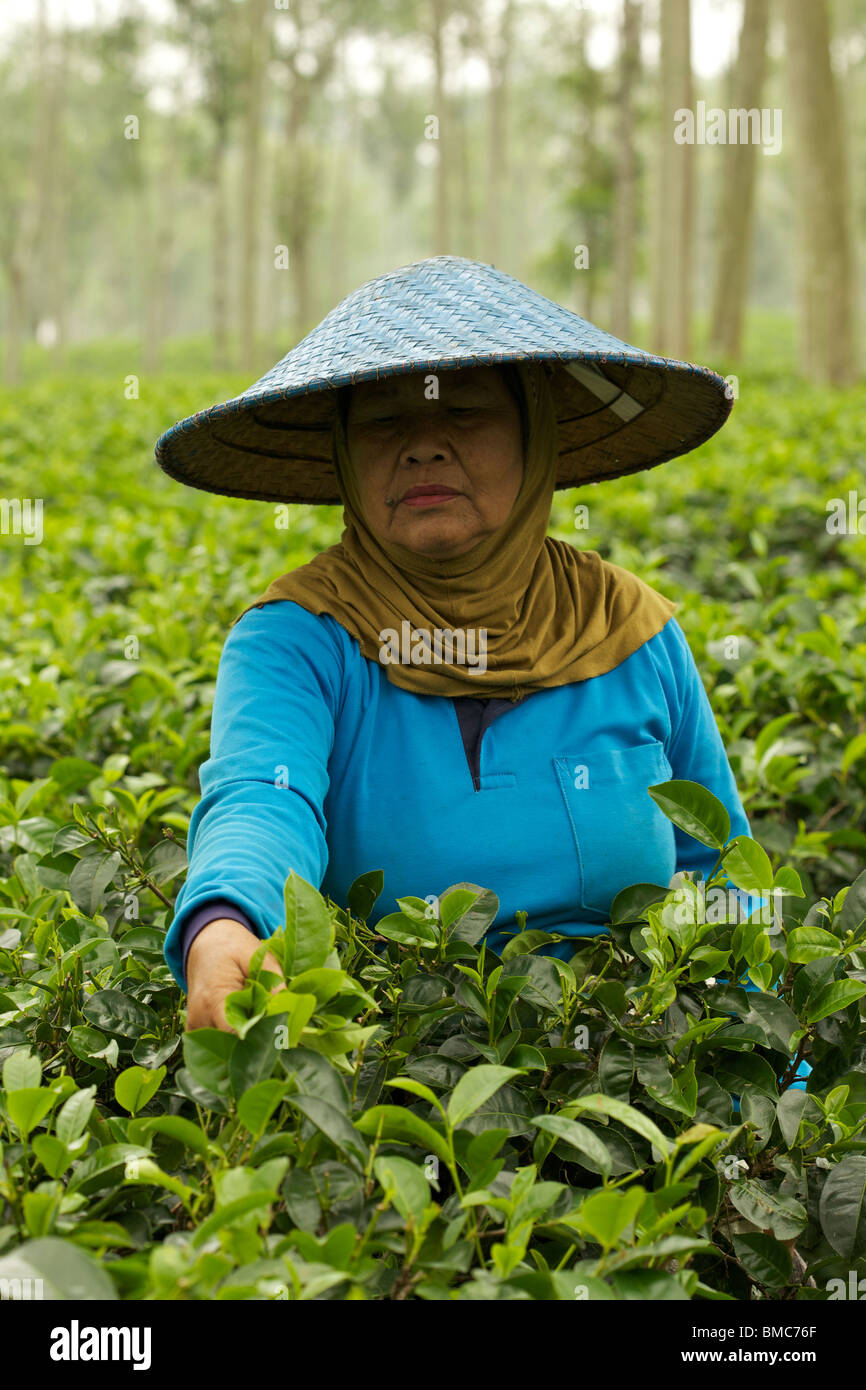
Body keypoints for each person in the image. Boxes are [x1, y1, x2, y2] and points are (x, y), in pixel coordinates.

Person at [154, 254, 763, 1036]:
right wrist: (228, 922)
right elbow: (262, 803)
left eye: (466, 411)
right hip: (392, 1085)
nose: (423, 446)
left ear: (534, 434)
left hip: (634, 1069)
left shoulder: (630, 631)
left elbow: (720, 870)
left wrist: (769, 1087)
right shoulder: (298, 642)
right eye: (382, 421)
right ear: (344, 454)